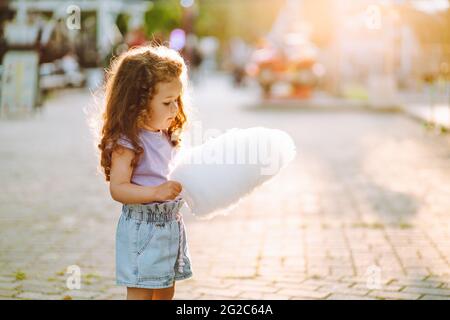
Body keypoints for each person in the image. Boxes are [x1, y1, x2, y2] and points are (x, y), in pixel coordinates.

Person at [97, 45, 192, 300]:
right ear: (138, 103)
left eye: (177, 101)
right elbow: (118, 188)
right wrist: (155, 192)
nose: (175, 109)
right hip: (142, 228)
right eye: (167, 102)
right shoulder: (127, 141)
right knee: (140, 293)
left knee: (165, 291)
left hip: (170, 224)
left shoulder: (167, 135)